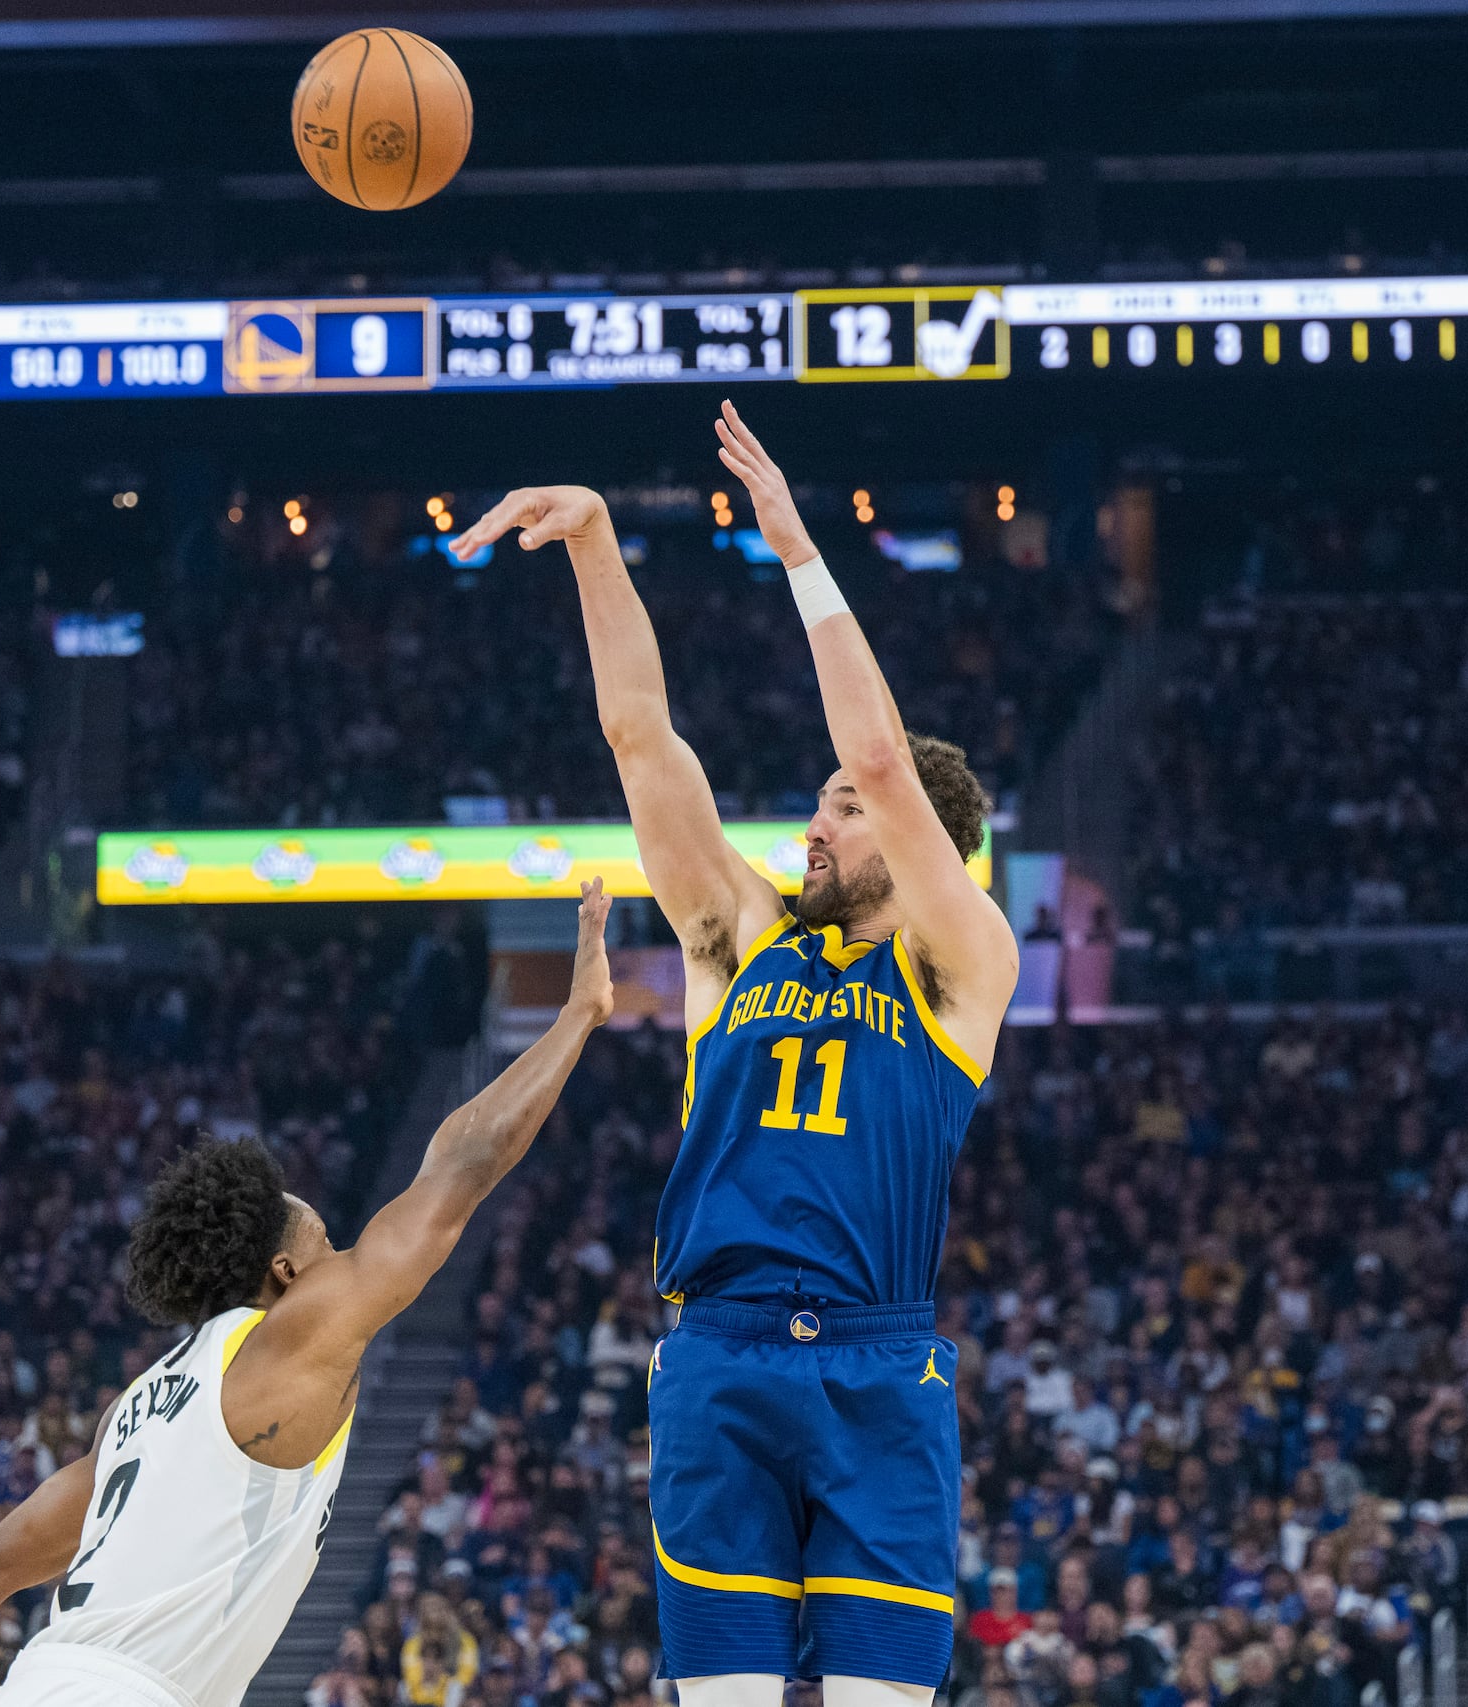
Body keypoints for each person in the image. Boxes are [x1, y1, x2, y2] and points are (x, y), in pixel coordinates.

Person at [452, 403, 1020, 1707]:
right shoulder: (739, 936)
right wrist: (596, 541)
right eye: (819, 800)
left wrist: (797, 549)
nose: (817, 819)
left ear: (924, 844)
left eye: (844, 808)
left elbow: (882, 754)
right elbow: (642, 740)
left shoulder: (961, 963)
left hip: (879, 1363)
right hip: (721, 1353)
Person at [0, 882, 616, 1707]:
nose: (339, 1258)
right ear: (284, 1273)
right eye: (324, 1242)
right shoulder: (290, 1337)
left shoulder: (131, 1415)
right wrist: (576, 1015)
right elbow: (459, 1167)